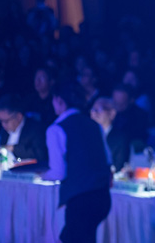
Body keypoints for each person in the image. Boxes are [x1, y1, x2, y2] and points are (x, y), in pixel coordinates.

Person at [41, 83, 111, 243]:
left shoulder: (56, 129)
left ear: (59, 100)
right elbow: (108, 160)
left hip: (80, 200)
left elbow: (58, 172)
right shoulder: (95, 126)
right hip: (102, 197)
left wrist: (42, 174)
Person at [0, 94, 48, 165]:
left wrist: (13, 148)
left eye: (6, 121)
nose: (3, 125)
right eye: (1, 121)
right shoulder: (4, 131)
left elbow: (40, 155)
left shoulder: (35, 129)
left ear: (19, 116)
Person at [90, 97, 131, 172]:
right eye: (93, 109)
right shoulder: (86, 136)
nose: (95, 113)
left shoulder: (120, 138)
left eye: (100, 109)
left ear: (112, 113)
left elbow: (119, 166)